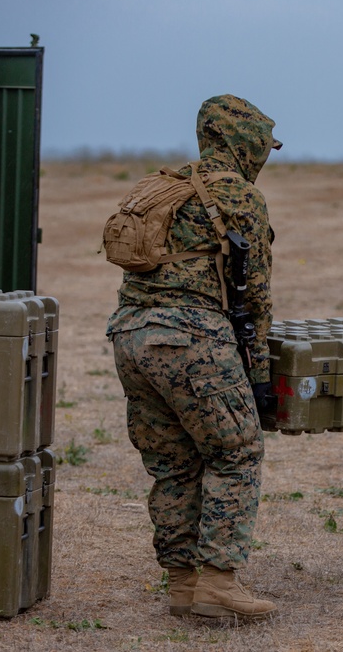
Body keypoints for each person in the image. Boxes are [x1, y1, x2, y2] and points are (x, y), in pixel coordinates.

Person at [106, 94, 280, 620]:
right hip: (191, 341)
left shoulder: (162, 184)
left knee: (172, 463)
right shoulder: (240, 196)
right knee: (236, 453)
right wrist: (262, 375)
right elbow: (256, 295)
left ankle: (182, 583)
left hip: (131, 336)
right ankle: (220, 581)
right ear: (244, 143)